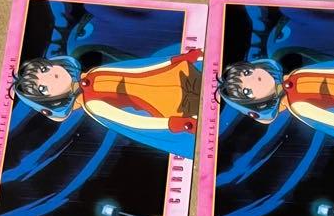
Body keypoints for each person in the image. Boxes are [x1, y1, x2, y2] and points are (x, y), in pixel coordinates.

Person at [12, 49, 203, 158]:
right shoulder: (92, 104)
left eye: (44, 69)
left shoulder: (93, 73)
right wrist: (172, 124)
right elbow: (132, 121)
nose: (51, 77)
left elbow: (138, 69)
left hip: (179, 76)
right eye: (43, 88)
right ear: (50, 101)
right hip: (176, 106)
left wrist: (174, 60)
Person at [215, 49, 334, 157]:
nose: (255, 80)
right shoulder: (297, 106)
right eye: (248, 91)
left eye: (247, 73)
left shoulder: (296, 74)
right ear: (255, 103)